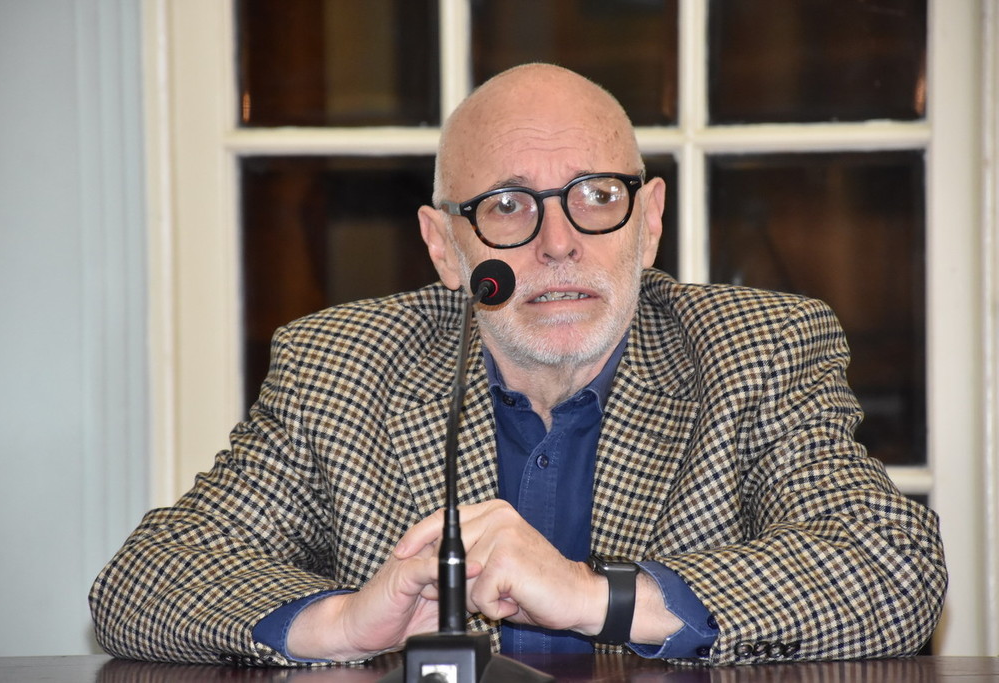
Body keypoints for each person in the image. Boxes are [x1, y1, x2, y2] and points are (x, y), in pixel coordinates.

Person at [89, 63, 946, 667]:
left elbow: (891, 564)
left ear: (649, 223)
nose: (559, 242)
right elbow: (143, 580)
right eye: (507, 206)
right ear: (444, 246)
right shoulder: (341, 365)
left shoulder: (754, 350)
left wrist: (594, 595)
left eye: (598, 196)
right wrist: (344, 624)